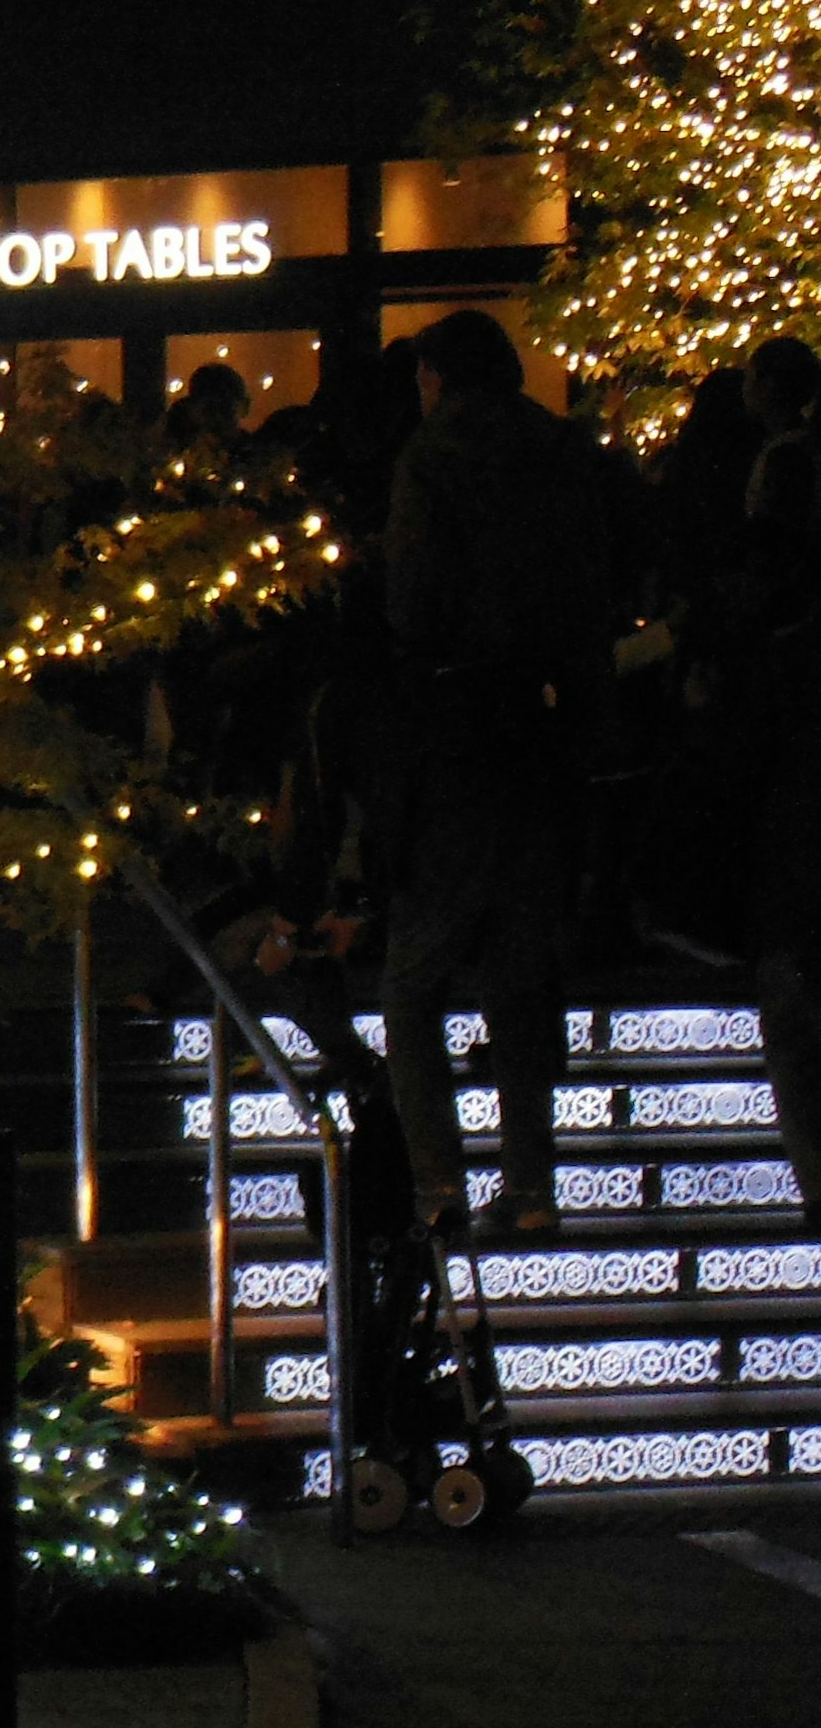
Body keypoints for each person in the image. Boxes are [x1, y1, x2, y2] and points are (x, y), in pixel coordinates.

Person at [375, 310, 615, 1236]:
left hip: (459, 726)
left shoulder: (433, 456)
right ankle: (533, 1184)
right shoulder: (563, 449)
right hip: (548, 730)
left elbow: (414, 598)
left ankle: (438, 1180)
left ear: (438, 376)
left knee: (415, 977)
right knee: (521, 975)